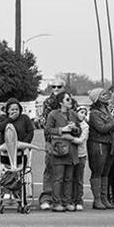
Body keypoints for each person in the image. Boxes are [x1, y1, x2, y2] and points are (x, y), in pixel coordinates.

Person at [44, 91, 81, 212]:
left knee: (69, 178)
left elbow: (79, 131)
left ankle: (67, 201)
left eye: (70, 99)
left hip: (71, 150)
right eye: (67, 99)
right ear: (61, 102)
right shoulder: (53, 114)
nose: (70, 101)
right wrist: (62, 129)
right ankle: (56, 202)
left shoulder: (73, 114)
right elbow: (48, 130)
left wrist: (75, 128)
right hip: (59, 149)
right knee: (58, 178)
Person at [87, 87, 114, 210]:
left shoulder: (106, 110)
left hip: (108, 144)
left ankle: (104, 197)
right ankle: (97, 200)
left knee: (106, 172)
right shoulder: (94, 113)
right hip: (98, 144)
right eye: (103, 95)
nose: (107, 96)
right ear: (97, 99)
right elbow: (102, 128)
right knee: (98, 171)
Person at [39, 78, 67, 210]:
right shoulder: (48, 102)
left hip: (68, 141)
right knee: (50, 169)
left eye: (59, 87)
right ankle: (46, 198)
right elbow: (46, 125)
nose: (56, 89)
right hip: (51, 140)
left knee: (66, 171)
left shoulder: (70, 101)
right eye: (53, 87)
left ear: (64, 87)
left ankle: (64, 198)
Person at [71, 105, 89, 211]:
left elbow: (81, 140)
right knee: (70, 178)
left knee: (78, 179)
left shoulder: (85, 126)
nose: (82, 114)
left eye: (84, 113)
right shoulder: (71, 123)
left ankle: (78, 200)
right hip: (71, 154)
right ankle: (70, 199)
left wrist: (68, 138)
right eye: (81, 112)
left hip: (81, 154)